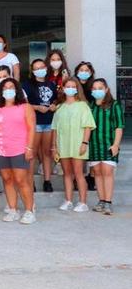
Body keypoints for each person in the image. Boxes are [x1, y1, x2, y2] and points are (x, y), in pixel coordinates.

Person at [0, 78, 37, 224]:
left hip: (20, 149)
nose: (8, 90)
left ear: (17, 90)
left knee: (21, 180)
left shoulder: (25, 107)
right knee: (7, 180)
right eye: (5, 88)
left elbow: (31, 128)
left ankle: (29, 211)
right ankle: (13, 209)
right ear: (1, 92)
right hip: (1, 149)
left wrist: (29, 147)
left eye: (11, 87)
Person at [51, 77, 96, 212]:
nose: (70, 89)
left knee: (78, 173)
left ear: (77, 89)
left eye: (72, 86)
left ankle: (83, 202)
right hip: (63, 145)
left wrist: (84, 143)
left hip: (78, 144)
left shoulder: (83, 106)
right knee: (67, 173)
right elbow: (55, 129)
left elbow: (88, 126)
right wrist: (54, 146)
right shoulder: (60, 107)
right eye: (67, 86)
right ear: (63, 89)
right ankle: (69, 200)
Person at [88, 78, 124, 215]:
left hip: (109, 144)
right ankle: (101, 200)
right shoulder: (91, 106)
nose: (97, 91)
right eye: (95, 88)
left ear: (106, 89)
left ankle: (108, 202)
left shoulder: (114, 105)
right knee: (97, 173)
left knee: (107, 172)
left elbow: (119, 126)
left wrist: (116, 144)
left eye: (100, 88)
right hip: (94, 145)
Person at [22, 58, 58, 192]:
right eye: (36, 68)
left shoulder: (51, 84)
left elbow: (55, 99)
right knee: (33, 153)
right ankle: (30, 182)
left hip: (49, 122)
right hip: (35, 123)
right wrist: (36, 107)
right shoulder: (27, 85)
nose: (40, 70)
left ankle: (47, 181)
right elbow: (24, 104)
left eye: (42, 67)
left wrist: (54, 105)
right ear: (32, 71)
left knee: (47, 153)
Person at [74, 61, 97, 191]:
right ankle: (78, 178)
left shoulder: (94, 86)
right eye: (81, 70)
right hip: (77, 123)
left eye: (86, 70)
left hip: (92, 121)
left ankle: (92, 177)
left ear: (91, 73)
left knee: (91, 150)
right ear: (77, 72)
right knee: (79, 151)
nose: (84, 72)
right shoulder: (73, 86)